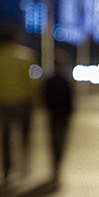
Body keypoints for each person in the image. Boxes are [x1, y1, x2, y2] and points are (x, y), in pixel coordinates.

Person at [0, 29, 40, 183]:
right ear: (16, 39)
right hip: (23, 102)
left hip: (3, 103)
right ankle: (24, 165)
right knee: (25, 136)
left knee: (4, 138)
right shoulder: (26, 57)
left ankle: (6, 170)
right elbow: (34, 81)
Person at [42, 55, 75, 184]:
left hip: (53, 115)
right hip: (63, 116)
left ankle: (55, 165)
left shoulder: (49, 81)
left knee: (53, 141)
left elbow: (44, 98)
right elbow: (71, 100)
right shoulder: (66, 81)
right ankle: (57, 165)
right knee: (61, 141)